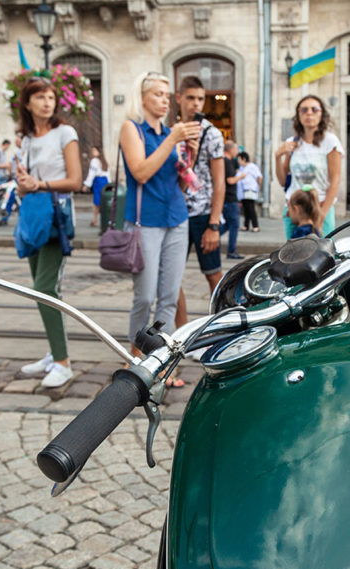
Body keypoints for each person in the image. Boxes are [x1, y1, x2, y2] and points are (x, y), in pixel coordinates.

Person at [120, 72, 200, 361]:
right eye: (158, 94)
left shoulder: (170, 134)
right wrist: (174, 139)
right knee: (144, 296)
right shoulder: (133, 129)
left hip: (177, 219)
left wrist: (190, 153)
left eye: (167, 95)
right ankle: (135, 355)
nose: (164, 100)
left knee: (168, 297)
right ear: (141, 98)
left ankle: (159, 358)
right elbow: (140, 172)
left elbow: (178, 182)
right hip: (146, 223)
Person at [15, 77, 83, 389]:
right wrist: (23, 183)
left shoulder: (64, 133)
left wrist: (39, 185)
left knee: (45, 288)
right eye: (40, 97)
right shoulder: (27, 139)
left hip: (56, 216)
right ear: (27, 103)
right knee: (37, 289)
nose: (47, 102)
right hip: (33, 215)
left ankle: (63, 363)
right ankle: (54, 352)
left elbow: (75, 181)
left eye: (51, 97)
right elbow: (25, 183)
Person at [173, 75, 223, 332]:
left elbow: (219, 182)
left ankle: (222, 330)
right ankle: (182, 334)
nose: (196, 104)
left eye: (200, 99)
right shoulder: (171, 133)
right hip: (176, 213)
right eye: (190, 97)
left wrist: (213, 224)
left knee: (214, 274)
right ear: (179, 98)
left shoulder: (212, 134)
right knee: (172, 279)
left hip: (203, 214)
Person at [274, 95, 344, 238]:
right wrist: (277, 157)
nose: (309, 113)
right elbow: (283, 181)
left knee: (323, 256)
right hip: (294, 210)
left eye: (314, 109)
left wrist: (322, 214)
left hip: (319, 207)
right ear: (298, 115)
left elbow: (335, 180)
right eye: (304, 110)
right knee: (292, 257)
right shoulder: (292, 142)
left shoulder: (330, 142)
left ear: (321, 114)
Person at [222, 141, 243, 259]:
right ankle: (231, 251)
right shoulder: (227, 162)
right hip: (230, 198)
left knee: (227, 224)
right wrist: (241, 177)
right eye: (236, 149)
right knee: (234, 225)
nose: (237, 152)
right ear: (230, 150)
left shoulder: (228, 161)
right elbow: (230, 180)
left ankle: (203, 240)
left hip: (228, 198)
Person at [83, 145, 110, 228]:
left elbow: (91, 174)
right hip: (104, 182)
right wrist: (109, 184)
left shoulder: (94, 161)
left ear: (99, 152)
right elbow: (108, 175)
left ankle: (96, 220)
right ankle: (96, 220)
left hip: (98, 182)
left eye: (95, 150)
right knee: (103, 202)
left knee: (97, 202)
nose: (93, 152)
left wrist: (86, 185)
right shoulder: (104, 162)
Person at [237, 151, 262, 232]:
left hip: (250, 189)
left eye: (239, 159)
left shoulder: (252, 167)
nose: (238, 161)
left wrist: (257, 186)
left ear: (244, 159)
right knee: (246, 208)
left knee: (250, 208)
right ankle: (246, 225)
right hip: (243, 191)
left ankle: (255, 226)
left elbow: (259, 177)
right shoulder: (241, 168)